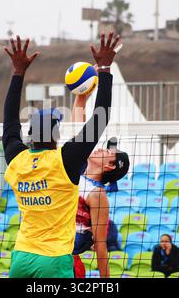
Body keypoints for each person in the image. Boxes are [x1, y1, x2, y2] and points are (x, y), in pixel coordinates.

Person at [3, 33, 121, 278]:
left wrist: (17, 72)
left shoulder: (17, 159)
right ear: (56, 135)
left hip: (21, 258)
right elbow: (101, 117)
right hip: (53, 260)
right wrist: (105, 68)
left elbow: (9, 121)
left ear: (30, 134)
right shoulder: (65, 160)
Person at [70, 90, 130, 278]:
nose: (100, 149)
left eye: (107, 152)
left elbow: (101, 245)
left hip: (69, 261)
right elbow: (78, 121)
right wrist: (82, 94)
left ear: (110, 166)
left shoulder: (97, 194)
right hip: (49, 252)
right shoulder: (77, 165)